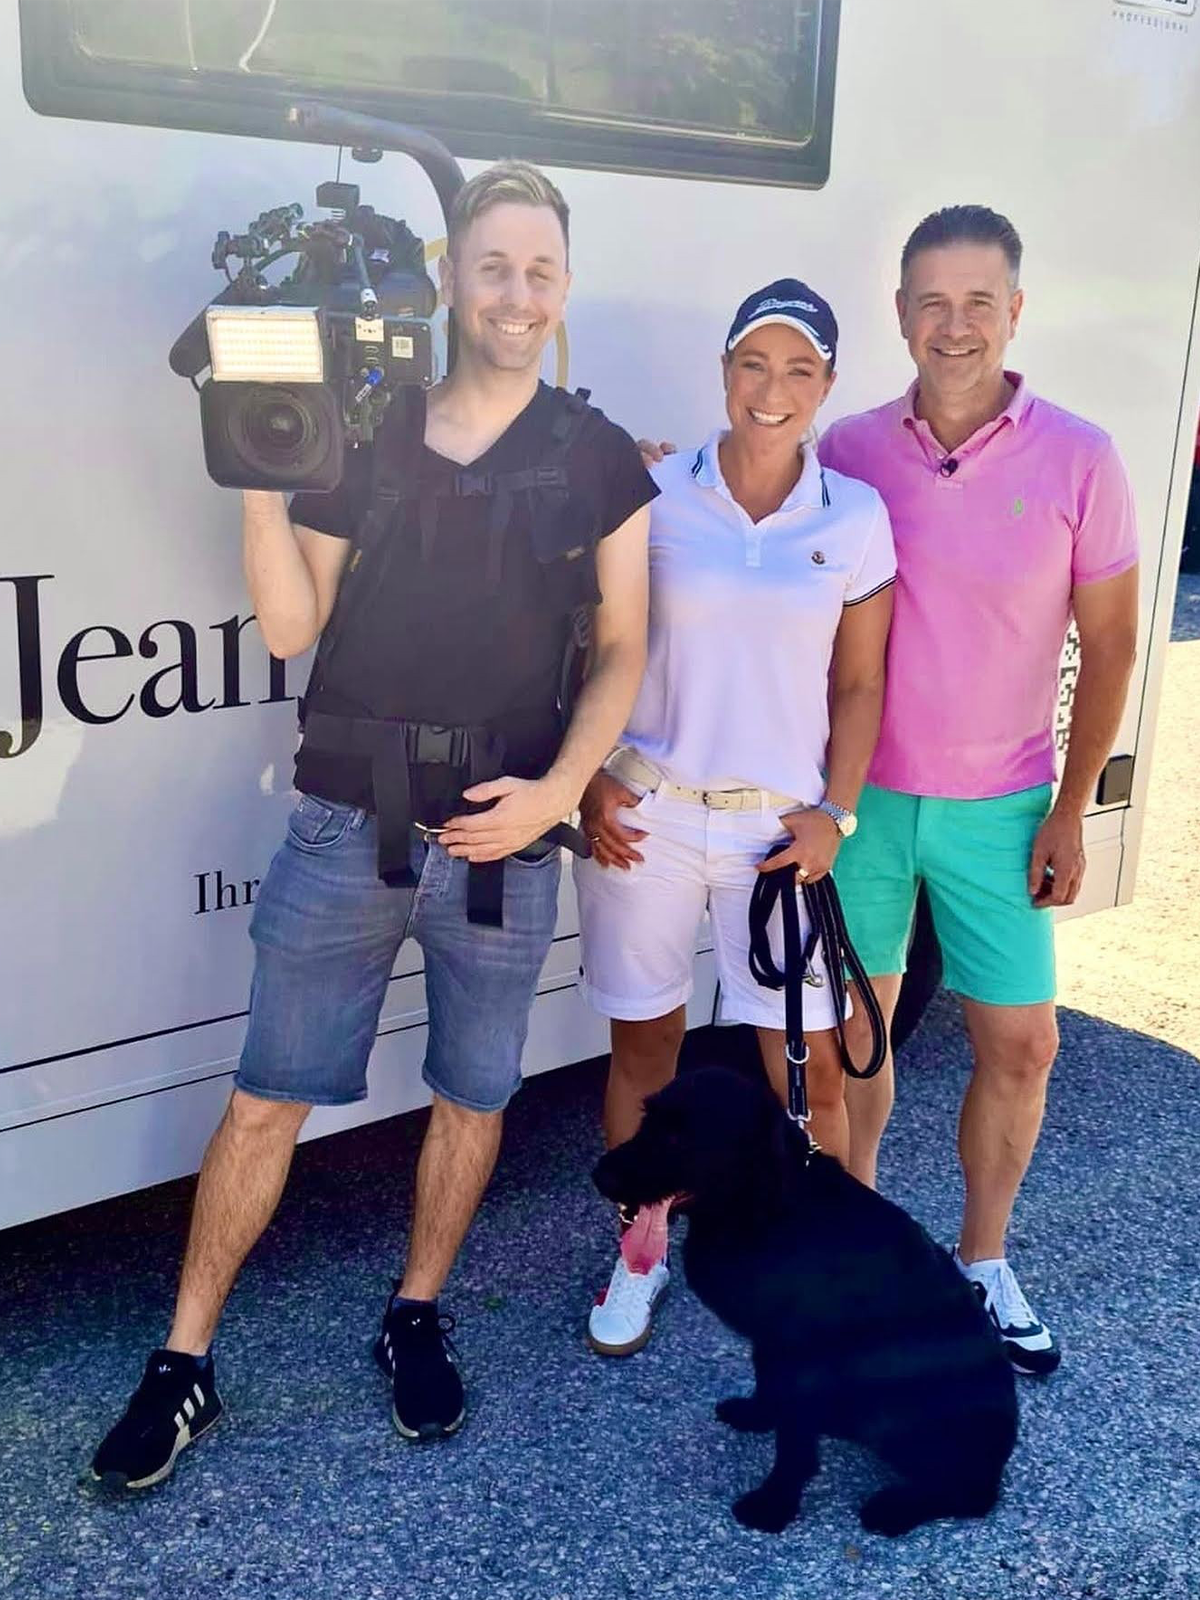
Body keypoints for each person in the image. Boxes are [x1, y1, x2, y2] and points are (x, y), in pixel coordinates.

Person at [90, 161, 656, 1487]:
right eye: (494, 266)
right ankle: (184, 1360)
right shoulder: (370, 430)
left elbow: (627, 646)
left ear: (565, 289)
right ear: (454, 277)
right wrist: (256, 476)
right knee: (263, 1103)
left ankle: (415, 1312)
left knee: (473, 1097)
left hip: (504, 838)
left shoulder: (596, 455)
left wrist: (557, 795)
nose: (516, 294)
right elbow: (295, 626)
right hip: (345, 826)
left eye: (540, 271)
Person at [820, 205, 1140, 1375]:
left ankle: (983, 1262)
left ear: (1016, 311)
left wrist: (1072, 807)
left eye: (978, 303)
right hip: (862, 803)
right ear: (901, 312)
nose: (954, 326)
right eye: (931, 303)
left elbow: (1113, 642)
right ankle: (859, 1255)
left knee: (1023, 1045)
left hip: (1004, 805)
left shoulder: (1082, 456)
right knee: (852, 1045)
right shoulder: (848, 447)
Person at [576, 280, 895, 1357]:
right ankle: (641, 1257)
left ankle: (830, 1263)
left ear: (827, 385)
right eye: (754, 363)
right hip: (650, 819)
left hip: (778, 837)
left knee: (809, 1066)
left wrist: (837, 812)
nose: (773, 388)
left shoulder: (854, 516)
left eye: (799, 369)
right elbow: (590, 644)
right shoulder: (652, 491)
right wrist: (587, 777)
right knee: (646, 1053)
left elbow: (860, 684)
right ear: (724, 371)